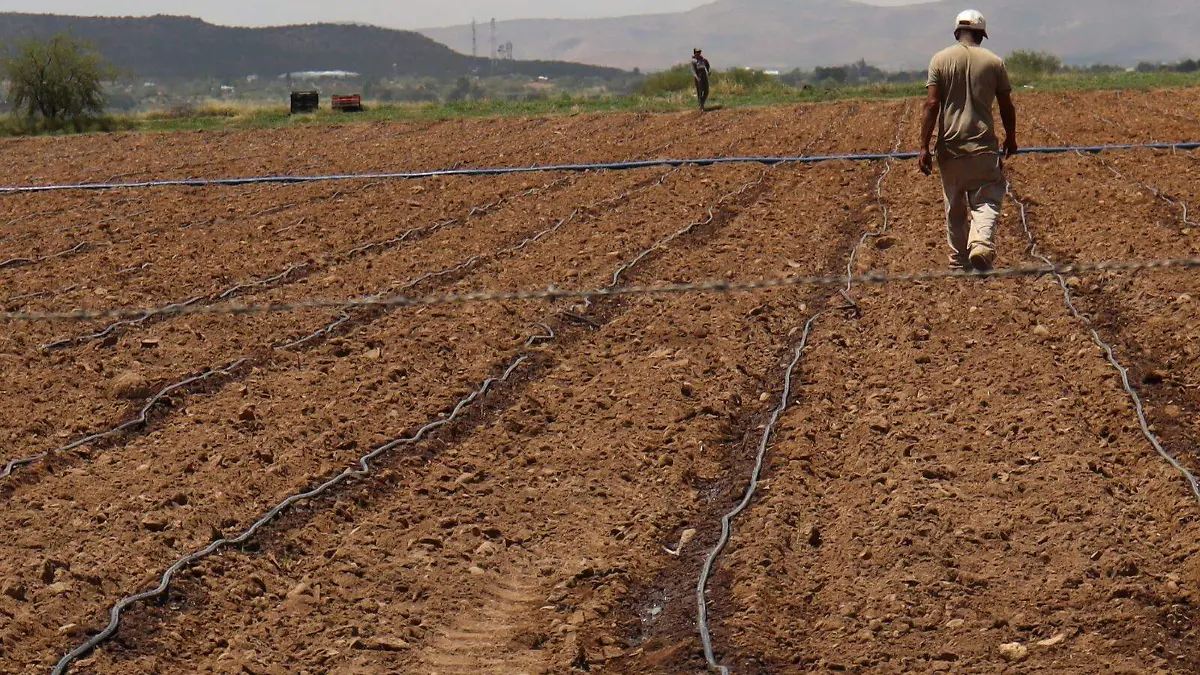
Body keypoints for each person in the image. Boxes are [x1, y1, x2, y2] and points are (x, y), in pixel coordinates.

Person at [918, 9, 1018, 272]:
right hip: (983, 146)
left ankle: (958, 263)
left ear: (956, 33)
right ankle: (981, 244)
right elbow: (1007, 105)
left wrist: (924, 147)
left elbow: (931, 104)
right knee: (986, 198)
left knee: (955, 207)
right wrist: (1011, 137)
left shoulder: (939, 60)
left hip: (950, 148)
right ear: (982, 35)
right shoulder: (994, 62)